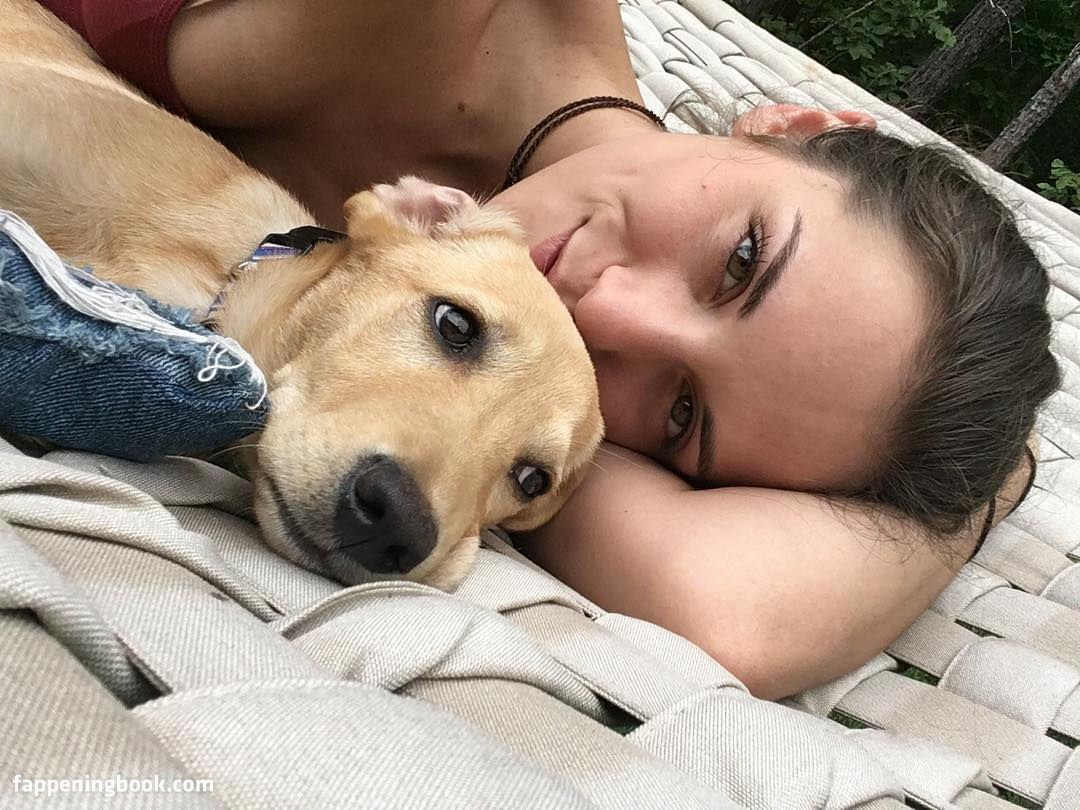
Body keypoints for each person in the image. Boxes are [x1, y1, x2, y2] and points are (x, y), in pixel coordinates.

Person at [41, 0, 1057, 698]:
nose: (607, 316)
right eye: (742, 259)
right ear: (789, 125)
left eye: (683, 413)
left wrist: (987, 482)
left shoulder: (523, 404)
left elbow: (729, 615)